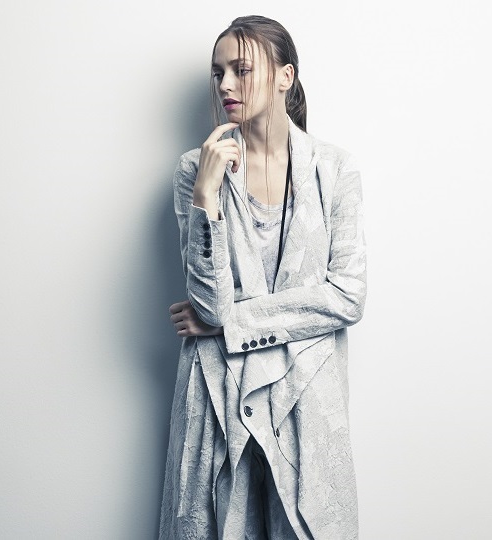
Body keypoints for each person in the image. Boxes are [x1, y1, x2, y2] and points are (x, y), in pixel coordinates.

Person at [157, 15, 367, 540]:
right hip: (218, 398)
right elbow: (209, 306)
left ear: (284, 77)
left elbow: (347, 296)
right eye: (218, 72)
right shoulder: (194, 170)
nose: (225, 84)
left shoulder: (335, 170)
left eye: (241, 69)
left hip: (304, 402)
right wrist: (206, 194)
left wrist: (235, 323)